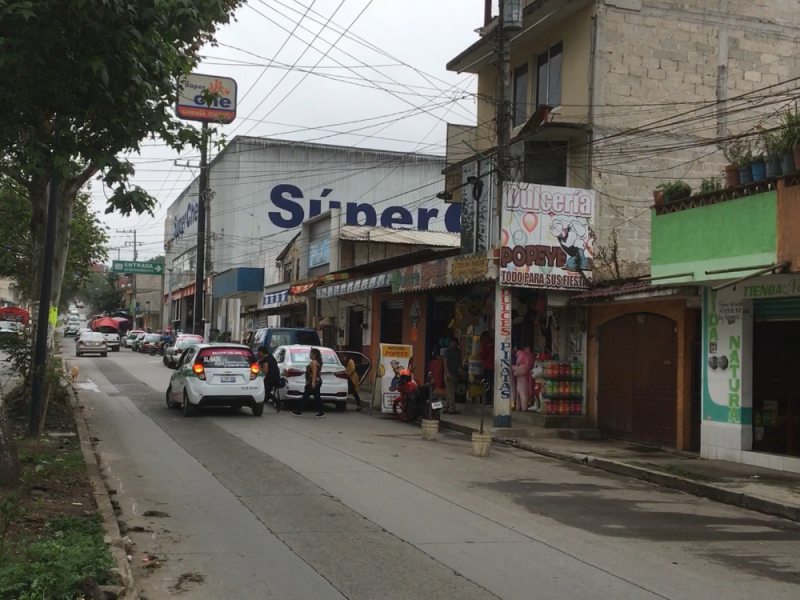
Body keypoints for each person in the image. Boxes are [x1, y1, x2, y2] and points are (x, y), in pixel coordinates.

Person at [291, 347, 325, 418]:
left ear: (314, 354)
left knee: (306, 396)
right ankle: (321, 412)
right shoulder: (318, 362)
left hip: (313, 382)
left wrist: (313, 382)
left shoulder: (314, 362)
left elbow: (314, 372)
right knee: (316, 397)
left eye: (311, 353)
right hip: (317, 381)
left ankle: (299, 411)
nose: (309, 355)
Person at [257, 345, 282, 412]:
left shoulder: (266, 360)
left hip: (270, 378)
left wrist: (259, 367)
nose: (258, 354)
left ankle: (278, 403)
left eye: (259, 352)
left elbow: (265, 371)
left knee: (266, 391)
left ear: (262, 352)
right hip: (276, 377)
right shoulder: (271, 357)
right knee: (267, 391)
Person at [443, 338, 462, 415]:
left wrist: (461, 370)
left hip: (455, 373)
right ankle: (452, 408)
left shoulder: (458, 351)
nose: (453, 345)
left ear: (457, 344)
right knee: (451, 391)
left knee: (451, 391)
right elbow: (445, 362)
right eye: (451, 344)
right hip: (449, 374)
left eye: (454, 344)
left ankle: (445, 407)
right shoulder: (448, 351)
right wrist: (447, 373)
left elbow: (459, 361)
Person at [480, 330, 494, 405]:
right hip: (496, 366)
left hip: (488, 367)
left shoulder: (485, 344)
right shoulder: (494, 342)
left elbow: (482, 355)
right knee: (493, 384)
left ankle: (488, 401)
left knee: (487, 384)